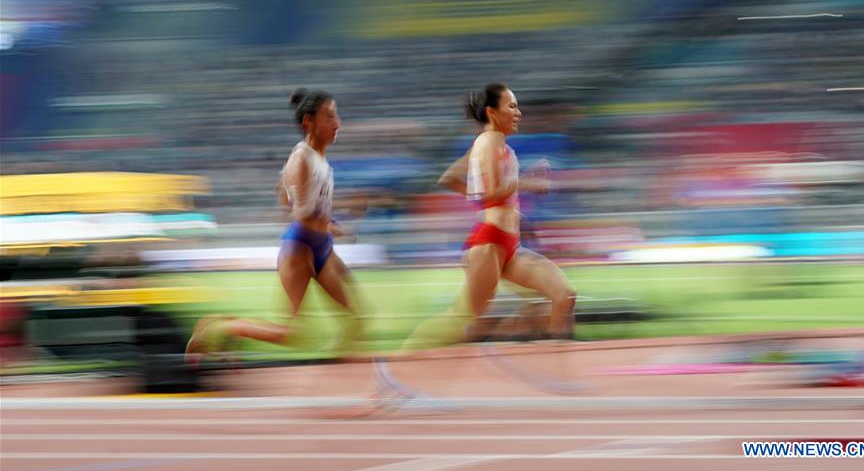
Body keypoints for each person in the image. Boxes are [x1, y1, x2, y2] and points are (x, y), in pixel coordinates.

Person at [185, 88, 362, 366]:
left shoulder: (318, 158)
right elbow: (301, 212)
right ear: (308, 122)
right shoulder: (301, 157)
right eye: (329, 116)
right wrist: (327, 225)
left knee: (355, 317)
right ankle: (221, 329)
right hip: (300, 247)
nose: (337, 123)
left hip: (320, 246)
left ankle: (336, 375)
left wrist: (327, 223)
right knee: (292, 333)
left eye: (336, 115)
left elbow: (282, 191)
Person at [401, 83, 576, 351]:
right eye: (512, 106)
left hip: (509, 245)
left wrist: (495, 201)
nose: (518, 112)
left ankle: (555, 359)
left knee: (564, 296)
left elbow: (449, 179)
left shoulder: (491, 144)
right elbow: (492, 193)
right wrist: (525, 182)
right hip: (489, 244)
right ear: (493, 113)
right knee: (461, 319)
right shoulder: (489, 142)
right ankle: (399, 362)